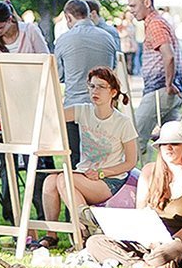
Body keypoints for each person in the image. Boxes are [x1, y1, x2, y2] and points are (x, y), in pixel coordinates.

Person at [87, 115, 182, 268]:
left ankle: (147, 262)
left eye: (175, 143)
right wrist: (147, 241)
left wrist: (167, 242)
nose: (169, 148)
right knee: (94, 242)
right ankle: (143, 265)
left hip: (178, 242)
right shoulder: (149, 171)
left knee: (174, 248)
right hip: (146, 241)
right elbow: (140, 212)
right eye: (164, 144)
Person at [41, 66, 137, 242]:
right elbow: (52, 116)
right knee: (50, 182)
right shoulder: (83, 111)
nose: (95, 91)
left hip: (110, 179)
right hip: (83, 174)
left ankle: (84, 230)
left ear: (113, 92)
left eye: (101, 87)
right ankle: (51, 236)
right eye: (92, 86)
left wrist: (102, 173)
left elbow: (131, 162)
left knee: (64, 179)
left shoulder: (123, 123)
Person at [123, 0, 182, 158]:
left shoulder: (155, 24)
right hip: (166, 90)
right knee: (172, 146)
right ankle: (162, 180)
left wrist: (169, 84)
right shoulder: (157, 22)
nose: (131, 11)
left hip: (159, 90)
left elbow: (168, 55)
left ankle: (141, 181)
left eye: (133, 6)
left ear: (147, 2)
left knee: (135, 140)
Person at [53, 0, 120, 104]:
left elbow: (58, 75)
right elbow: (113, 66)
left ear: (68, 18)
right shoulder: (108, 37)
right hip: (103, 106)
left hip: (75, 104)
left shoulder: (63, 39)